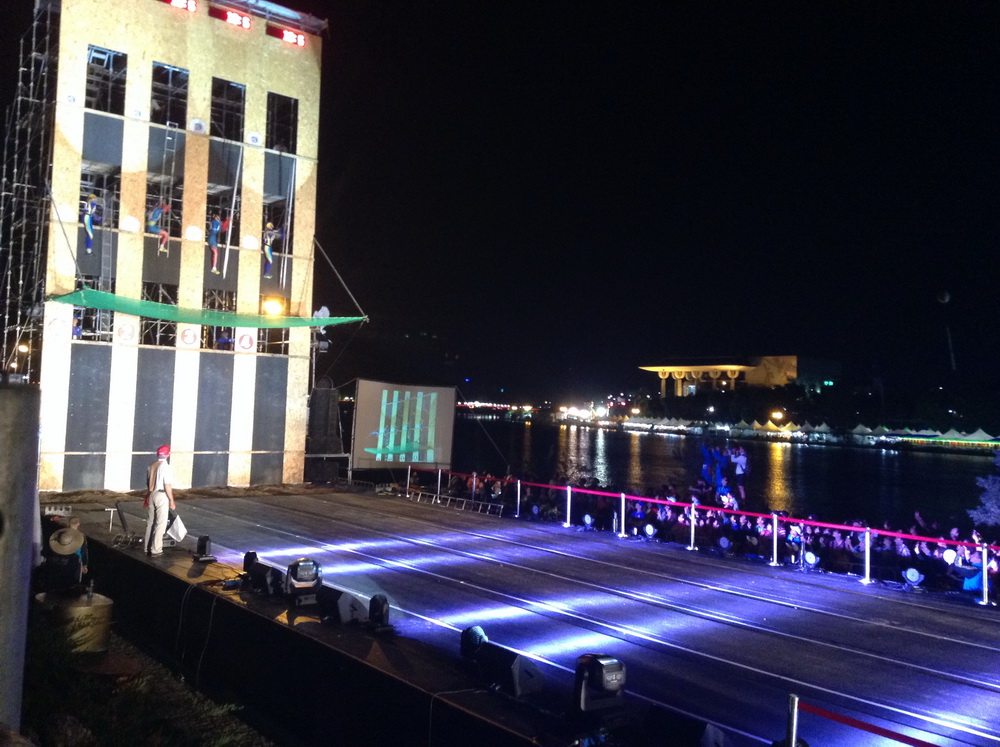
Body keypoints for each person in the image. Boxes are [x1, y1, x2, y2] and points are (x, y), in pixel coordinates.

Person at [145, 444, 176, 556]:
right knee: (160, 524)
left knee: (150, 523)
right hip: (161, 495)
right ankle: (156, 549)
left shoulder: (151, 466)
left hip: (151, 494)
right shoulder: (166, 467)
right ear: (168, 454)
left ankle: (147, 547)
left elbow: (148, 482)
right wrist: (171, 500)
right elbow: (167, 485)